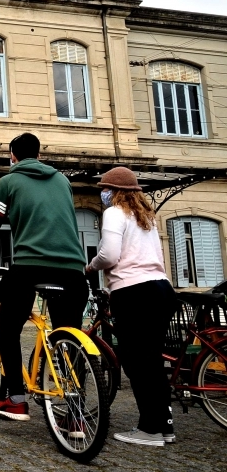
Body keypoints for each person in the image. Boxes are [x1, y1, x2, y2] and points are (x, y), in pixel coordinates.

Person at [0, 133, 88, 421]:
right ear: (39, 155)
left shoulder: (8, 182)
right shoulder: (63, 181)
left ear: (13, 156)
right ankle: (77, 413)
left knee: (8, 328)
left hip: (30, 265)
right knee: (70, 337)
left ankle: (16, 399)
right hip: (73, 269)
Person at [85, 167, 176, 447]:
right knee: (153, 362)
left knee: (136, 362)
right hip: (161, 288)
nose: (103, 193)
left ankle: (150, 429)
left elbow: (110, 254)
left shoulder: (114, 213)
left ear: (114, 191)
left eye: (105, 188)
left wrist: (91, 266)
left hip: (133, 291)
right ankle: (163, 425)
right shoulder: (146, 216)